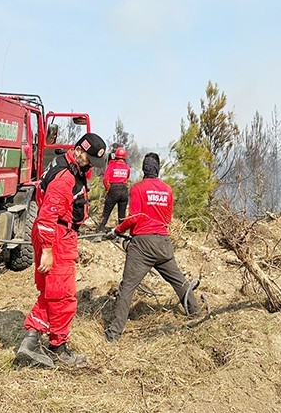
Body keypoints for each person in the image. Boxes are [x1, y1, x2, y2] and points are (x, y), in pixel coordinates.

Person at [16, 132, 107, 368]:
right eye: (89, 160)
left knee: (51, 292)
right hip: (55, 235)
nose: (90, 167)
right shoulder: (66, 178)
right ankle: (58, 348)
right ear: (79, 150)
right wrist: (47, 249)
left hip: (56, 230)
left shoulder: (63, 163)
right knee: (64, 296)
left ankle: (31, 342)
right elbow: (47, 215)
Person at [103, 152, 201, 342]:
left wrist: (116, 230)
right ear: (158, 169)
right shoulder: (168, 190)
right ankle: (195, 312)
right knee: (178, 280)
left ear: (143, 170)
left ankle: (113, 334)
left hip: (142, 247)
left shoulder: (138, 188)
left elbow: (134, 218)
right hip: (163, 244)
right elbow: (167, 220)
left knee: (127, 288)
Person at [97, 146, 131, 231]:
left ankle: (100, 232)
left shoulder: (111, 166)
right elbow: (127, 177)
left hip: (114, 189)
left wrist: (108, 189)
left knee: (106, 212)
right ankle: (121, 234)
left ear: (115, 156)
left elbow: (105, 179)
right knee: (122, 215)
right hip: (124, 190)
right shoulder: (127, 167)